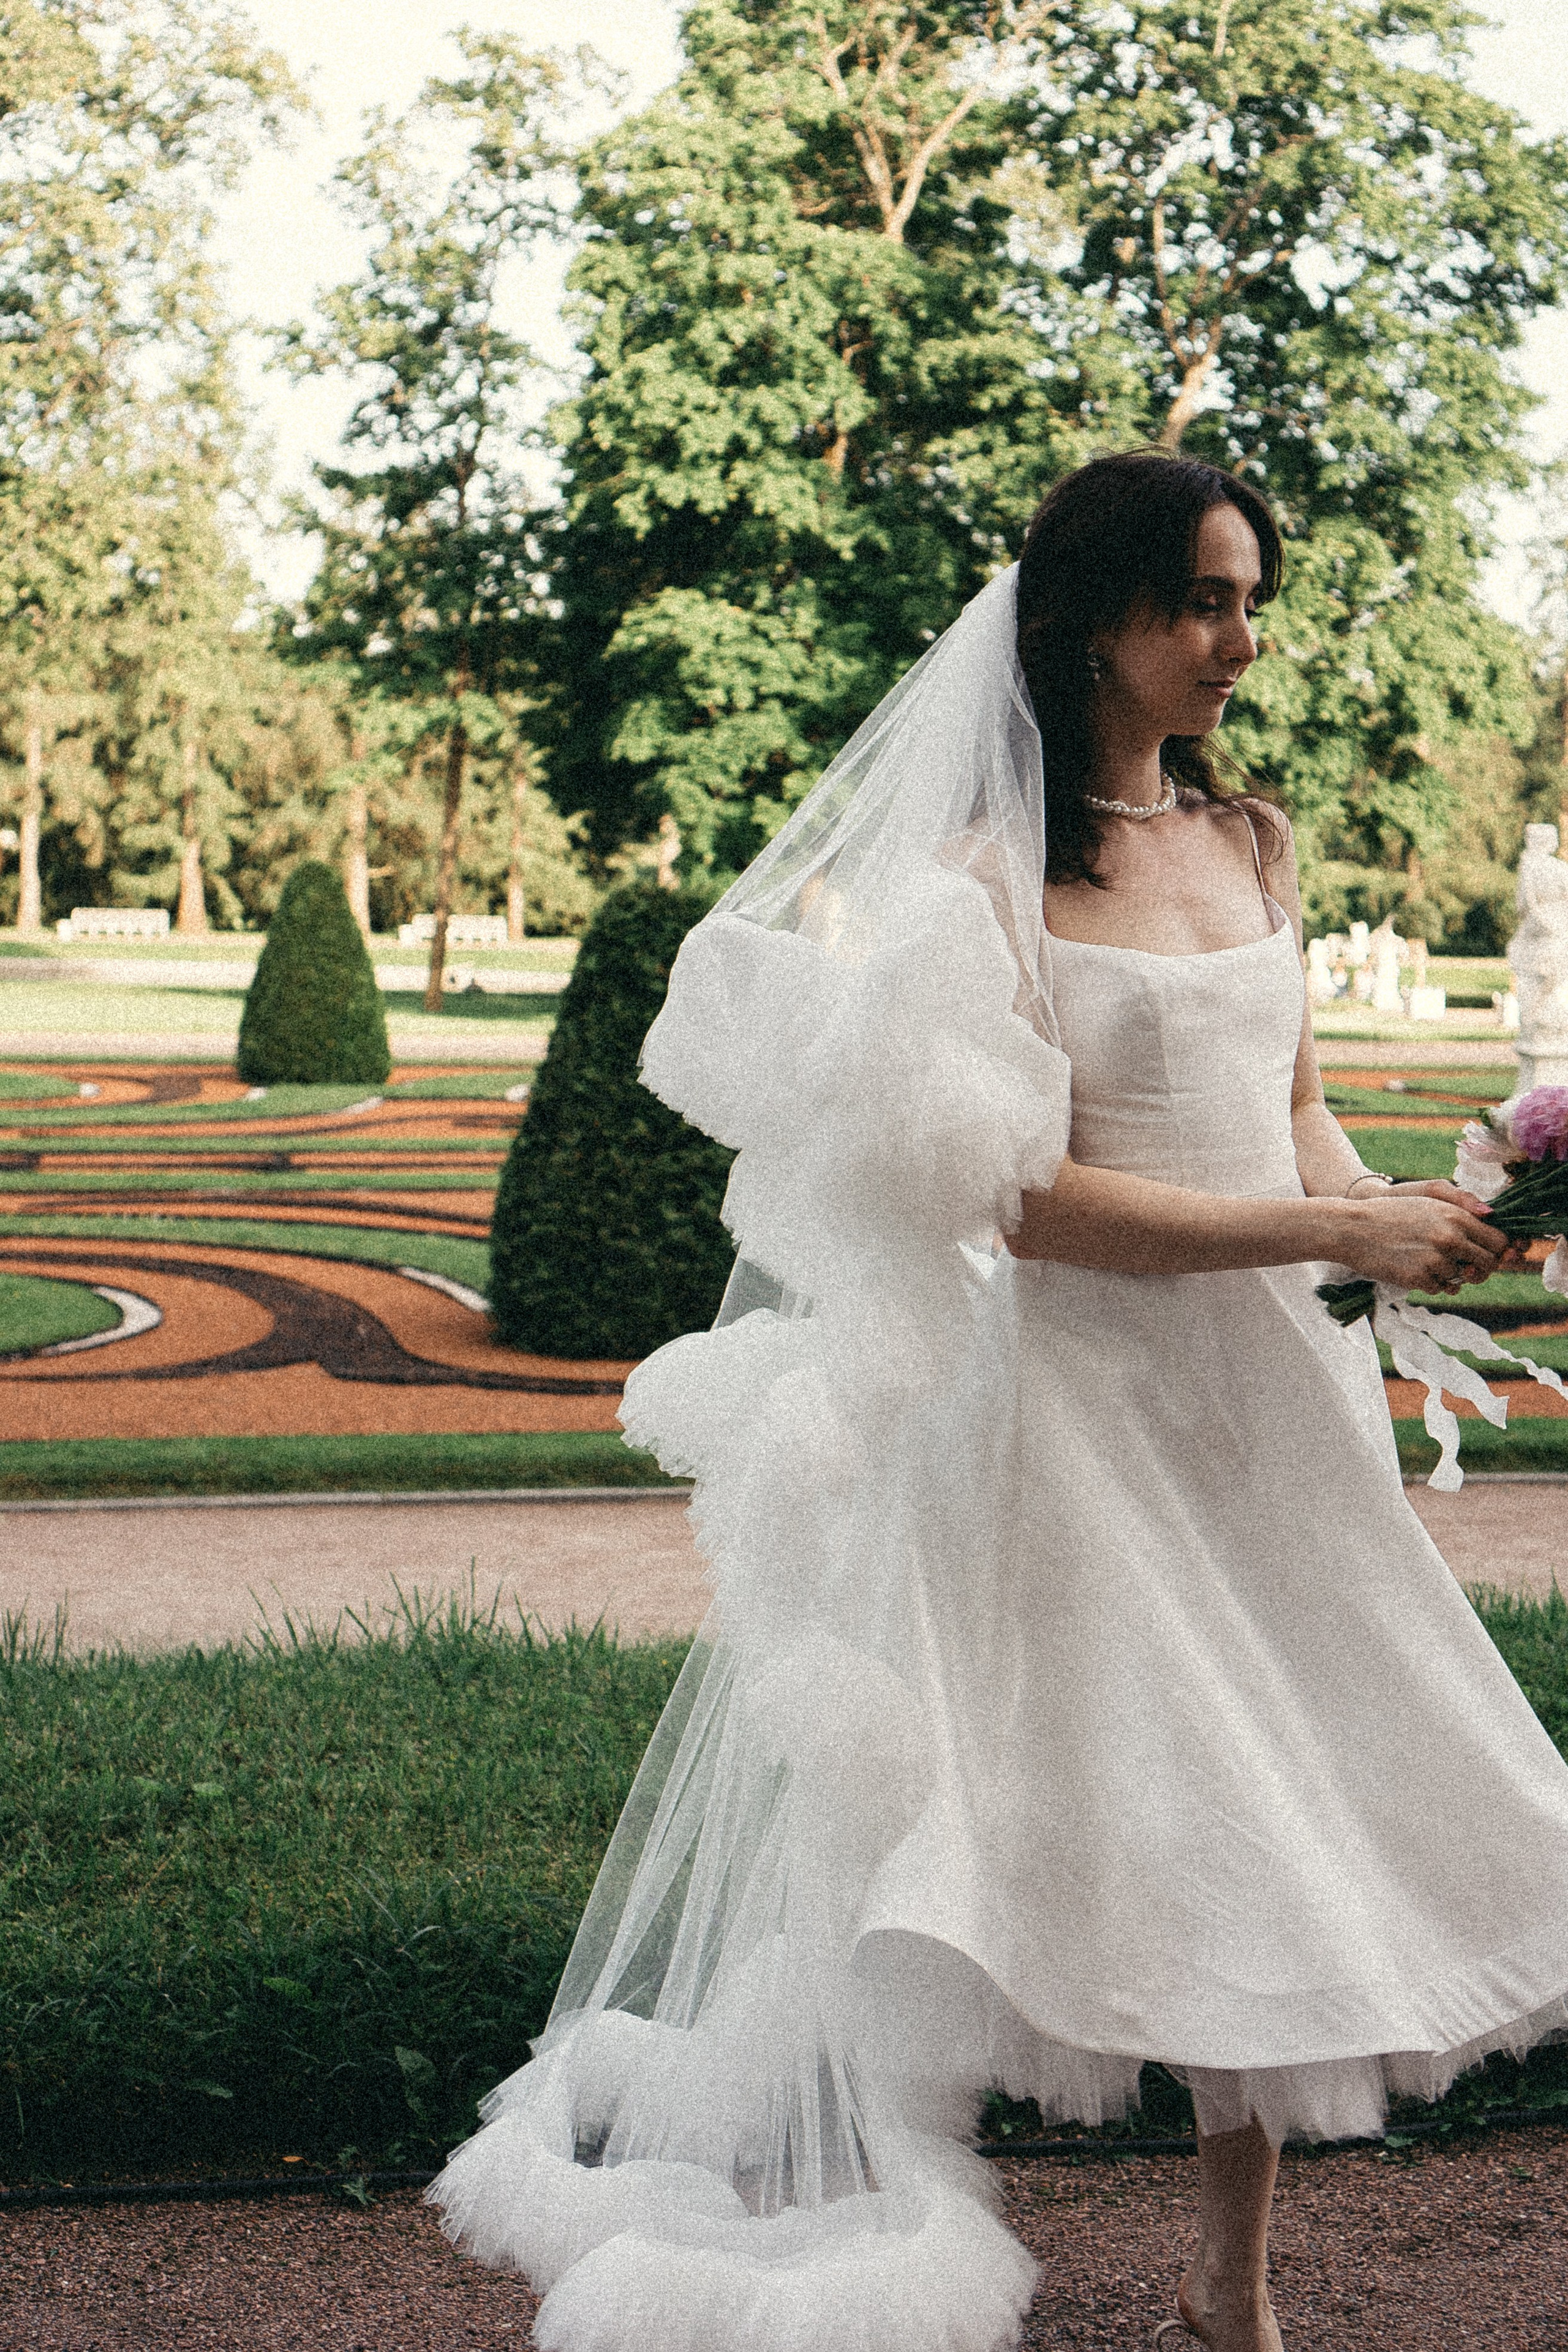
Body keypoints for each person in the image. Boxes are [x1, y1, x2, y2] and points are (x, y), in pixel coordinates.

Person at [429, 452, 1568, 2352]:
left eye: (1247, 596)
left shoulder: (1258, 842)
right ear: (1094, 621)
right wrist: (1320, 1216)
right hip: (1077, 1422)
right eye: (1203, 599)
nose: (1239, 637)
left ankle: (1237, 2290)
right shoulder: (979, 884)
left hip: (1268, 1392)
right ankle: (896, 2219)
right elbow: (1029, 1210)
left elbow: (1288, 1112)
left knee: (1287, 1801)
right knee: (1105, 1815)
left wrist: (1409, 1231)